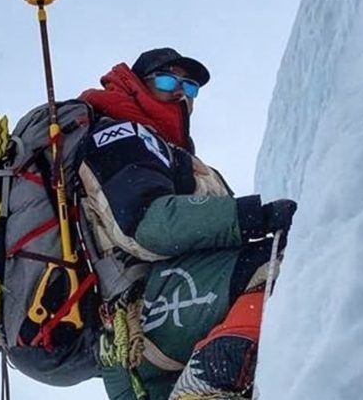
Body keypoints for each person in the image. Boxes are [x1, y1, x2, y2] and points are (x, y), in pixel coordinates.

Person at [75, 47, 298, 400]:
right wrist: (256, 216)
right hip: (143, 319)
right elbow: (148, 225)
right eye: (167, 81)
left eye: (190, 87)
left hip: (146, 347)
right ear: (136, 85)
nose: (181, 93)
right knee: (279, 263)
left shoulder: (172, 154)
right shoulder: (121, 135)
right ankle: (209, 382)